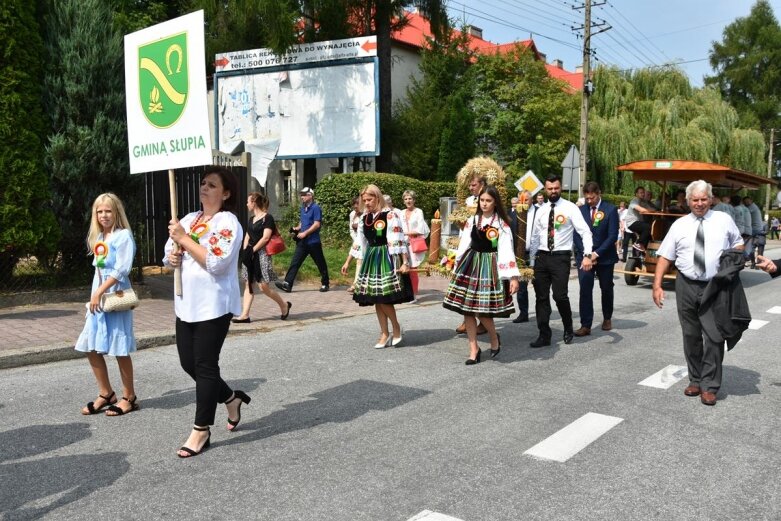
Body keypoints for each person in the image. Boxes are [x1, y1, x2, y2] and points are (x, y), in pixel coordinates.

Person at [165, 166, 250, 458]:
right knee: (189, 363)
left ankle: (201, 429)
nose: (205, 188)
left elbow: (217, 263)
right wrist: (173, 253)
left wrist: (185, 241)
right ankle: (230, 398)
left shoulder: (229, 222)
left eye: (212, 185)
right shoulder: (189, 219)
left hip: (213, 305)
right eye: (203, 183)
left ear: (225, 193)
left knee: (205, 365)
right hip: (186, 303)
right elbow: (168, 256)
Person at [652, 180, 745, 406]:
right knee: (691, 335)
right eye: (695, 200)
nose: (700, 204)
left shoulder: (724, 220)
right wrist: (657, 285)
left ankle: (710, 386)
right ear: (688, 201)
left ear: (711, 199)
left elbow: (739, 244)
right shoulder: (680, 225)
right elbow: (665, 257)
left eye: (704, 199)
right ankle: (695, 380)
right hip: (686, 284)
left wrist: (730, 262)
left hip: (715, 285)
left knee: (714, 336)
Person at [75, 193, 138, 416]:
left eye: (108, 211)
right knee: (90, 346)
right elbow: (99, 269)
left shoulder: (123, 236)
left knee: (119, 349)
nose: (104, 215)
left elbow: (121, 270)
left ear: (117, 212)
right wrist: (95, 293)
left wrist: (100, 292)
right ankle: (106, 393)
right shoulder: (100, 236)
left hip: (114, 297)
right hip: (98, 298)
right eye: (99, 211)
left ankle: (128, 396)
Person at [444, 185, 520, 364]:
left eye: (488, 201)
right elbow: (464, 243)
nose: (484, 204)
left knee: (483, 311)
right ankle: (473, 349)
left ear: (495, 203)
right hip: (470, 264)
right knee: (467, 310)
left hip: (490, 266)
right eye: (482, 200)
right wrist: (456, 267)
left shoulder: (501, 224)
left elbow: (506, 250)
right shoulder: (472, 219)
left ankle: (494, 337)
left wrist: (513, 277)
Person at [344, 184, 413, 348]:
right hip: (371, 258)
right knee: (376, 298)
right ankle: (384, 333)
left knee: (384, 297)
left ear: (377, 198)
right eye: (364, 200)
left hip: (386, 257)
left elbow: (398, 238)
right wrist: (348, 261)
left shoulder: (389, 215)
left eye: (370, 199)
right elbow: (360, 242)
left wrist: (405, 262)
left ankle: (395, 327)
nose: (367, 203)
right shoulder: (363, 218)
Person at [528, 175, 594, 347]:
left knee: (559, 296)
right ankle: (544, 335)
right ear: (545, 189)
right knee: (541, 298)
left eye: (556, 188)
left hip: (560, 258)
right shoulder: (541, 210)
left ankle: (568, 326)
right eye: (550, 189)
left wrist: (587, 255)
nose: (553, 191)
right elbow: (535, 237)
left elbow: (585, 232)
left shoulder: (571, 208)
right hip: (542, 257)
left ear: (561, 188)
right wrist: (531, 262)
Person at [232, 192, 291, 323]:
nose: (246, 204)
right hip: (250, 254)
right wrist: (246, 250)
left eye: (248, 201)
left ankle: (284, 305)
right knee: (248, 284)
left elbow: (265, 238)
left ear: (254, 202)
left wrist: (253, 249)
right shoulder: (251, 219)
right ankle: (245, 315)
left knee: (263, 286)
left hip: (262, 254)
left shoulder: (267, 218)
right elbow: (247, 235)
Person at [573, 182, 619, 336]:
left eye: (592, 198)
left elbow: (612, 235)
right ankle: (586, 324)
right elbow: (576, 235)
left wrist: (596, 254)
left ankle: (607, 317)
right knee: (585, 289)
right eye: (587, 198)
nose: (589, 201)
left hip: (605, 257)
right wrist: (587, 255)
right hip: (585, 257)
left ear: (599, 193)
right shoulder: (580, 210)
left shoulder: (610, 210)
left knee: (606, 288)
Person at [275, 187, 330, 293]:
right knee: (295, 262)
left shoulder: (316, 208)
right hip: (303, 242)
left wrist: (305, 233)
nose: (302, 197)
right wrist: (297, 228)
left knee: (320, 263)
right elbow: (302, 222)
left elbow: (316, 224)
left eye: (304, 195)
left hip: (313, 242)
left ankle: (325, 283)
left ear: (310, 195)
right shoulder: (303, 208)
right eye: (301, 195)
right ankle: (287, 284)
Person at [455, 172, 489, 335]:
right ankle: (468, 319)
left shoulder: (488, 200)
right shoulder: (469, 201)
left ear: (482, 184)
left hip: (481, 246)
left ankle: (484, 322)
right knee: (465, 285)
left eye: (473, 185)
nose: (471, 188)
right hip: (466, 243)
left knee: (479, 288)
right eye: (469, 185)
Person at [400, 190, 430, 301]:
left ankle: (414, 295)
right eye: (406, 199)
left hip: (414, 243)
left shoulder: (418, 212)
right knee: (403, 267)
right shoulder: (401, 212)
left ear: (414, 200)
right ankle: (405, 293)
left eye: (410, 198)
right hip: (402, 244)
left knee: (413, 269)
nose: (408, 201)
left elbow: (420, 229)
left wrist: (405, 233)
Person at [624, 186, 654, 253]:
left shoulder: (643, 202)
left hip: (638, 222)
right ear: (636, 194)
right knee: (648, 227)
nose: (642, 194)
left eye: (643, 192)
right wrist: (649, 210)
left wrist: (657, 210)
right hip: (632, 222)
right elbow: (642, 210)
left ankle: (644, 253)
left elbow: (651, 209)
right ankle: (638, 243)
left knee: (649, 236)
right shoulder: (635, 200)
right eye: (640, 193)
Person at [344, 195, 363, 293]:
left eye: (357, 204)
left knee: (360, 262)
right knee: (359, 262)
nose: (355, 206)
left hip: (365, 242)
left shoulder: (365, 215)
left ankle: (356, 284)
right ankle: (357, 284)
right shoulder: (352, 214)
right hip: (356, 240)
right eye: (354, 204)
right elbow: (351, 229)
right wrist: (356, 240)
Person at [743, 196, 763, 267]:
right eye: (745, 202)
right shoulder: (754, 206)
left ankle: (746, 257)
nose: (746, 203)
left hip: (755, 229)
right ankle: (753, 262)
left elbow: (744, 213)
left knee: (748, 244)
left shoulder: (752, 207)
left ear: (751, 200)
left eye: (748, 201)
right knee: (752, 246)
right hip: (757, 228)